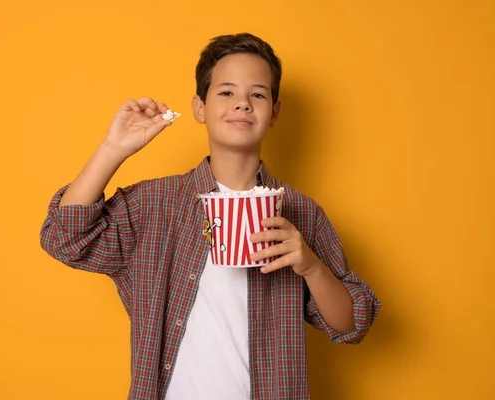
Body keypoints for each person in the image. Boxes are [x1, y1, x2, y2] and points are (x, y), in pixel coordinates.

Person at [40, 32, 380, 400]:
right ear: (200, 108)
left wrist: (310, 266)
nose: (242, 104)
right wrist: (112, 150)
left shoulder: (301, 213)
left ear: (275, 113)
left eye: (258, 94)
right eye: (226, 92)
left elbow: (352, 323)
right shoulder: (156, 204)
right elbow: (64, 237)